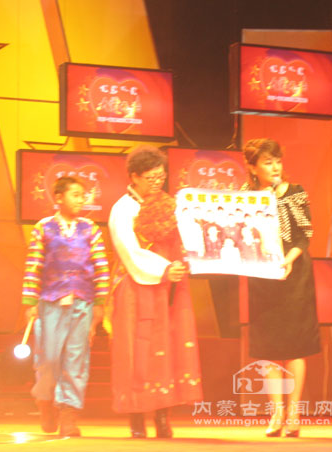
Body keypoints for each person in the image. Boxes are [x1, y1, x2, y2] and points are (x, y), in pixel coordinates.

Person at [108, 145, 203, 438]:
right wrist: (163, 269)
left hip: (169, 283)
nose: (156, 182)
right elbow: (128, 250)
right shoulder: (123, 209)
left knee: (168, 347)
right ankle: (136, 417)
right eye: (150, 178)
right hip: (136, 285)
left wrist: (184, 261)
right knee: (137, 349)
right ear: (134, 177)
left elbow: (187, 239)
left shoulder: (171, 205)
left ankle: (163, 416)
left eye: (160, 177)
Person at [241, 138, 320, 438]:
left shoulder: (295, 192)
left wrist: (287, 260)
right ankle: (276, 413)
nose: (275, 167)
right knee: (269, 346)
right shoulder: (246, 197)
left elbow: (304, 235)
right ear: (253, 168)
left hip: (294, 272)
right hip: (262, 275)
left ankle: (294, 412)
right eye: (267, 162)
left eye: (277, 161)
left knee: (295, 345)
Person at [22, 176, 110, 436]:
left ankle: (68, 414)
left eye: (83, 196)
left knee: (76, 359)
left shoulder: (90, 229)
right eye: (75, 195)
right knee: (48, 358)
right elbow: (33, 265)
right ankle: (45, 402)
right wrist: (30, 302)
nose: (81, 200)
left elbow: (101, 267)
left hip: (82, 302)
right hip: (50, 302)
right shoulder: (44, 228)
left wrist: (100, 303)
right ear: (59, 198)